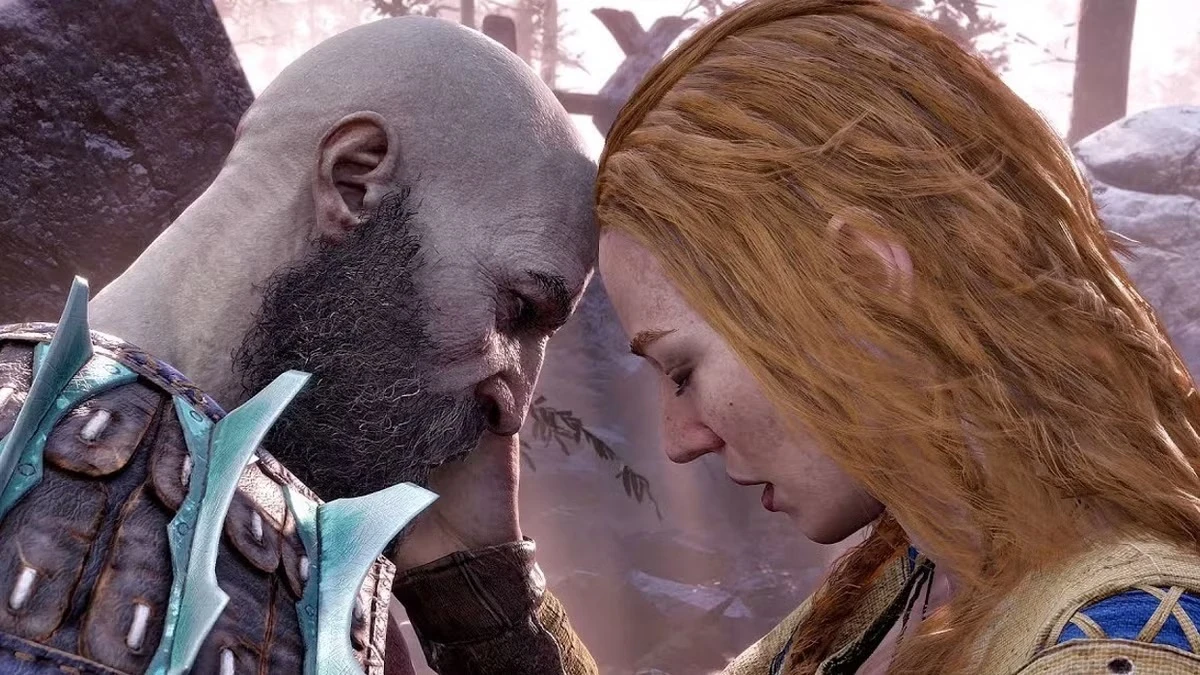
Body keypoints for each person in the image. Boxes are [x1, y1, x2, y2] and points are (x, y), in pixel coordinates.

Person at [389, 1, 1200, 673]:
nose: (680, 439)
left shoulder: (1122, 645)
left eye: (682, 369)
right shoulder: (911, 576)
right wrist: (472, 562)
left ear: (865, 276)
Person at [0, 15, 595, 675]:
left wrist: (482, 590)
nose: (514, 406)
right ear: (354, 182)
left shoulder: (316, 572)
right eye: (516, 310)